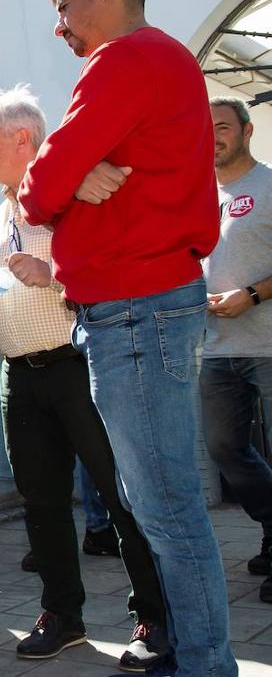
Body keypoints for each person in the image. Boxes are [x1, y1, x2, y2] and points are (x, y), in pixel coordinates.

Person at [17, 0, 237, 676]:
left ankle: (206, 665)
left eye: (65, 7)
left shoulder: (125, 60)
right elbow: (57, 180)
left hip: (138, 310)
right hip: (143, 309)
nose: (61, 27)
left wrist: (68, 175)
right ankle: (194, 655)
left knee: (168, 509)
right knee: (160, 505)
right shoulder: (158, 61)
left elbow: (37, 186)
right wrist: (78, 175)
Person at [0, 85, 169, 672]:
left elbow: (110, 268)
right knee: (42, 503)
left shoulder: (80, 190)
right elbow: (6, 278)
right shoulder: (3, 211)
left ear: (23, 138)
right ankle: (62, 617)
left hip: (80, 367)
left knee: (119, 497)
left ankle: (154, 618)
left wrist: (50, 271)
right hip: (19, 375)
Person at [200, 96, 272, 605]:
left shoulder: (269, 185)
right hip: (217, 348)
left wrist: (251, 294)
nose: (213, 137)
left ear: (246, 132)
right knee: (224, 448)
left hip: (269, 343)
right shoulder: (196, 197)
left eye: (222, 127)